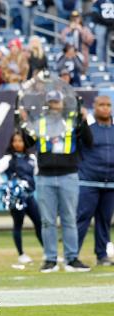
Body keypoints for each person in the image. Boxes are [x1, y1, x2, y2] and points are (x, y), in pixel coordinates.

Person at [21, 90, 93, 273]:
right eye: (51, 102)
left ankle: (72, 259)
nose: (54, 105)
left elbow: (89, 141)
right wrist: (24, 122)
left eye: (57, 102)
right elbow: (27, 142)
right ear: (47, 103)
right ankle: (50, 259)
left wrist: (83, 119)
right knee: (47, 221)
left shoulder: (72, 120)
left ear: (62, 103)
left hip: (68, 174)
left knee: (69, 218)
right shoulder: (39, 121)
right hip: (45, 176)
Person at [0, 131, 43, 265]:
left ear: (25, 142)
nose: (17, 144)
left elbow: (36, 172)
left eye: (20, 141)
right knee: (18, 225)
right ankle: (21, 254)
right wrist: (6, 186)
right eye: (15, 141)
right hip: (17, 199)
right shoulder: (8, 159)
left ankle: (48, 252)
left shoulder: (32, 158)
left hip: (30, 197)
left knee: (39, 223)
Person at [76, 96, 114, 266]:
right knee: (82, 218)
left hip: (111, 184)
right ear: (94, 107)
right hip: (89, 182)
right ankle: (72, 255)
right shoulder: (87, 130)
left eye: (108, 105)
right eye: (101, 105)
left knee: (105, 221)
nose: (105, 108)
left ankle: (102, 255)